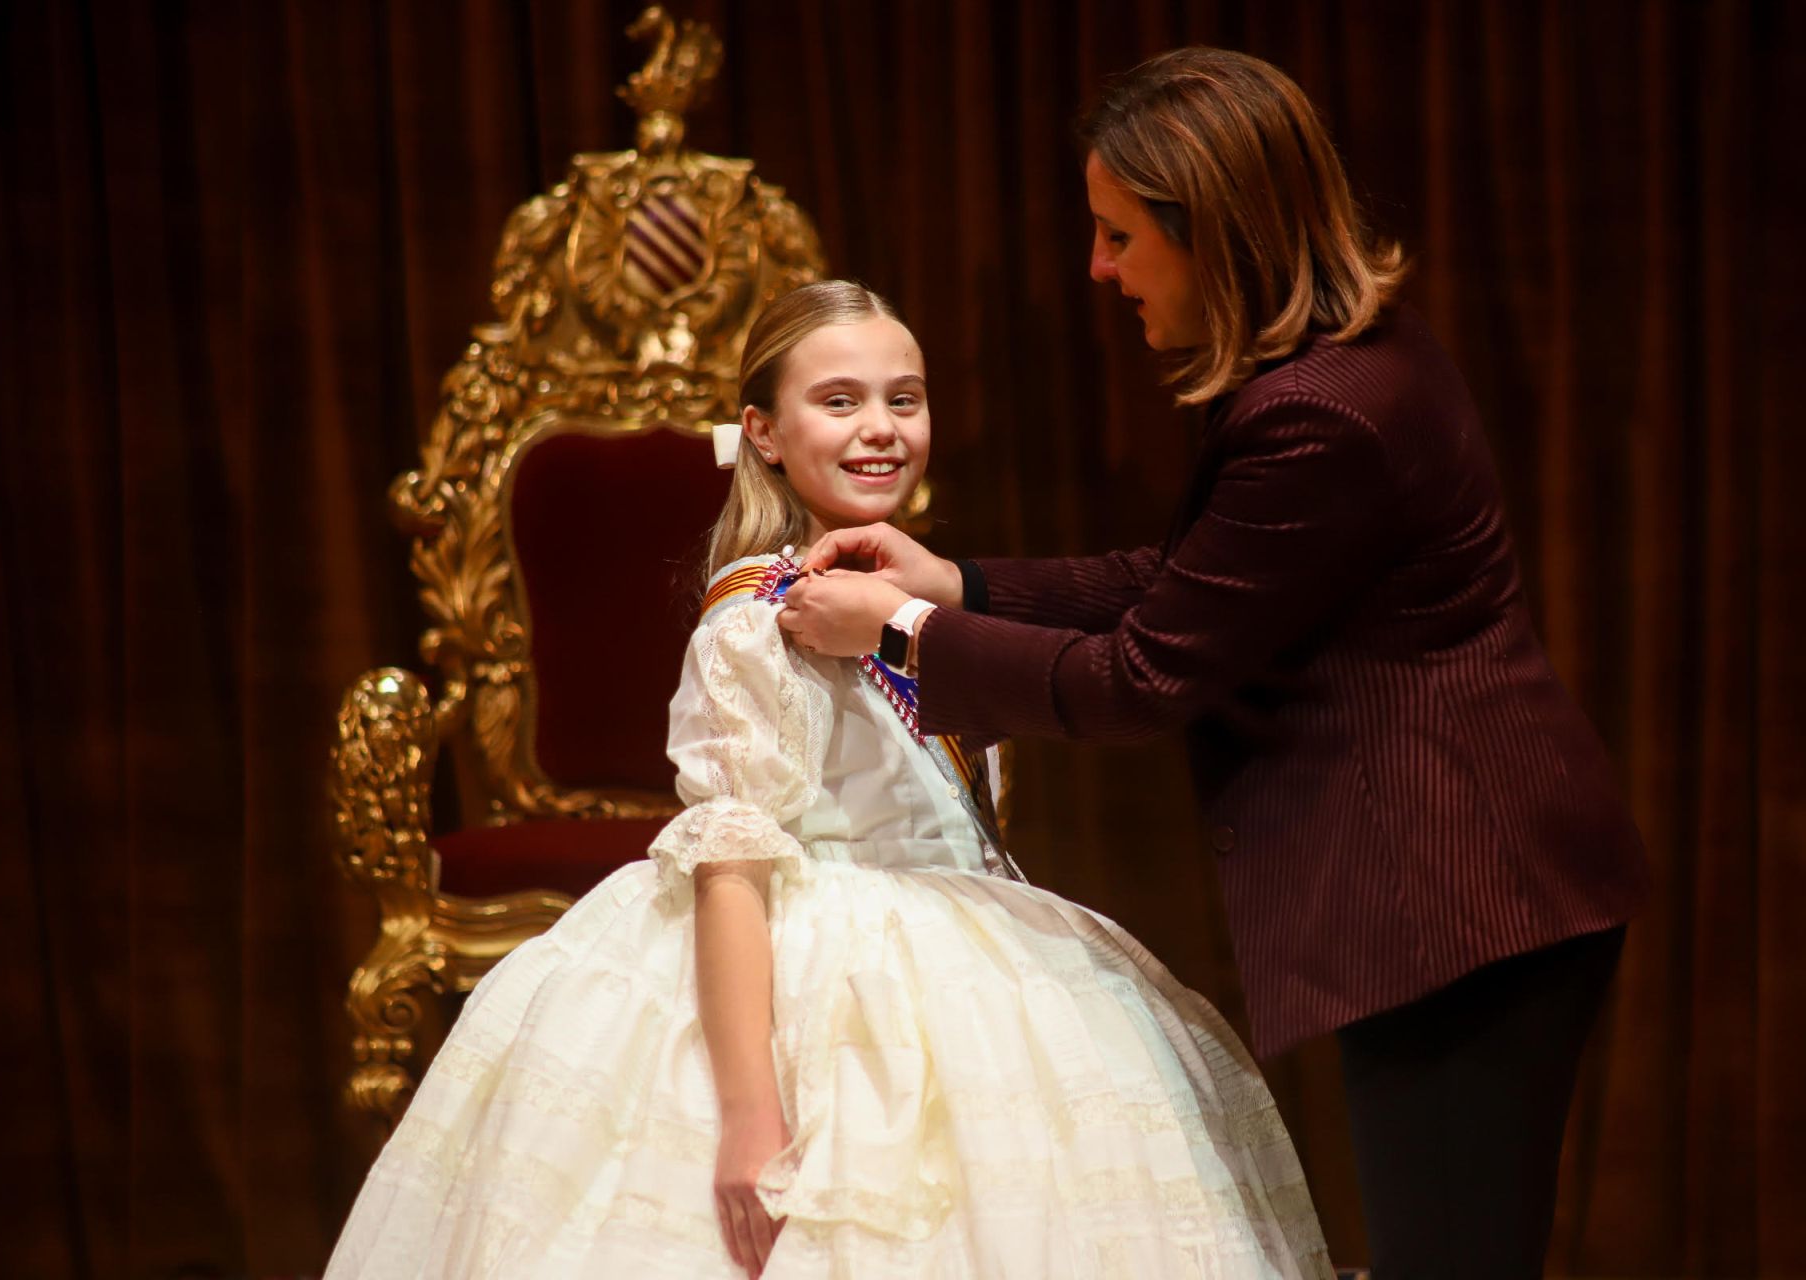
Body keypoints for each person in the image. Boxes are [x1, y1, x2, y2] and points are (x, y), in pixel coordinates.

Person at [780, 49, 1649, 1280]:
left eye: (1122, 236)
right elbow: (1186, 577)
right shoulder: (1345, 367)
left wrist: (896, 633)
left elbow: (1140, 676)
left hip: (1464, 898)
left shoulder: (1322, 415)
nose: (1099, 268)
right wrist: (955, 582)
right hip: (1464, 890)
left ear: (1217, 236)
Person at [323, 280, 1332, 1279]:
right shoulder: (759, 621)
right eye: (839, 400)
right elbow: (730, 865)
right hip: (805, 973)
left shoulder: (914, 597)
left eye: (905, 396)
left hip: (966, 961)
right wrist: (751, 1114)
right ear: (761, 430)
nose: (880, 427)